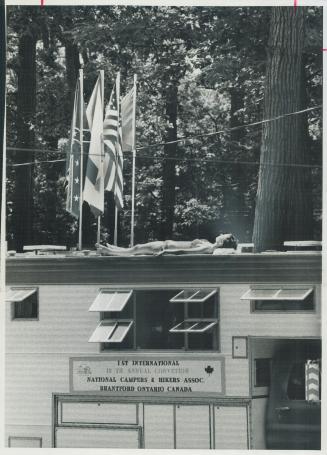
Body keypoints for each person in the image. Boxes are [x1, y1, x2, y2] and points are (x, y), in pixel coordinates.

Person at [96, 233, 237, 256]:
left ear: (222, 242)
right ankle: (112, 249)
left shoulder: (208, 247)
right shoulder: (209, 244)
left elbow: (185, 252)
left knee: (137, 248)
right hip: (166, 245)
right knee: (137, 247)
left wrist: (166, 252)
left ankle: (109, 252)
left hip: (166, 247)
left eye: (224, 235)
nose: (221, 233)